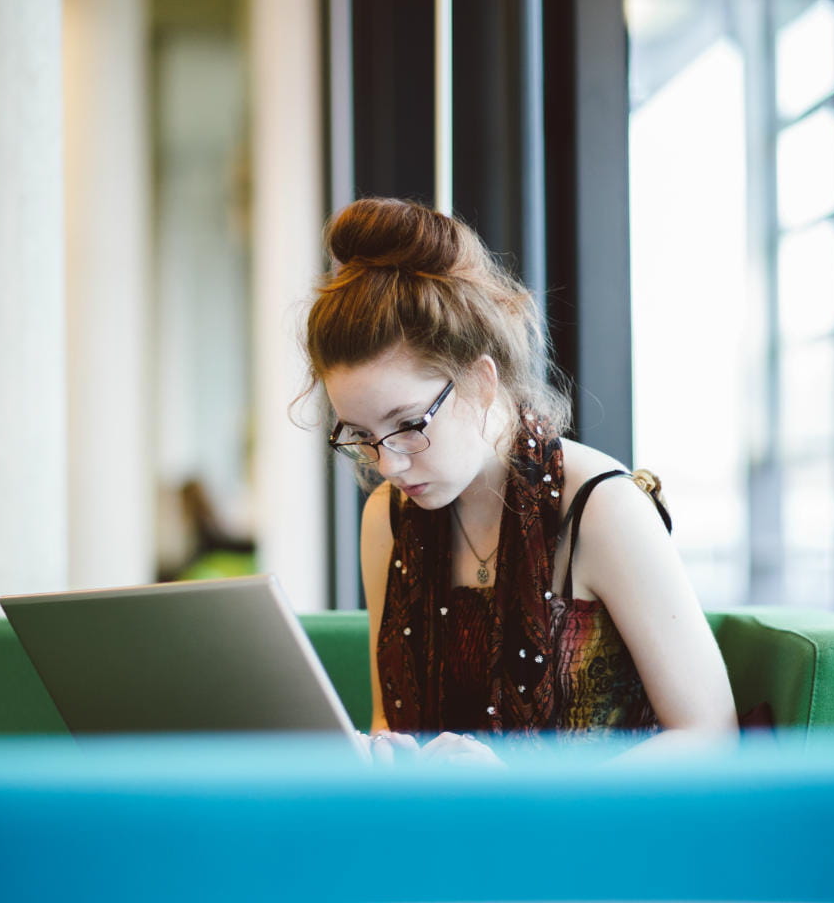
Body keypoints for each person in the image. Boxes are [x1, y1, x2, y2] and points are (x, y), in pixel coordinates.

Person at [301, 197, 738, 765]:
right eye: (358, 433)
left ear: (482, 382)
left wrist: (521, 797)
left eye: (408, 426)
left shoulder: (602, 507)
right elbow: (391, 718)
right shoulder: (387, 518)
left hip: (596, 842)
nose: (388, 465)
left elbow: (710, 735)